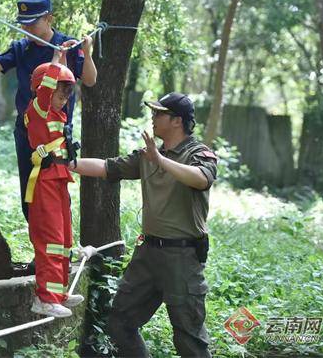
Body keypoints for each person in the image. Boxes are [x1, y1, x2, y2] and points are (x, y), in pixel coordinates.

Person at [71, 93, 217, 357]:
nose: (153, 117)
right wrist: (66, 164)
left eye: (159, 113)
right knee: (120, 323)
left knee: (189, 338)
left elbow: (201, 179)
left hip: (182, 257)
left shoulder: (198, 153)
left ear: (176, 121)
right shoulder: (149, 155)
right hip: (148, 254)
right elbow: (107, 167)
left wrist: (161, 161)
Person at [0, 0, 97, 221]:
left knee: (54, 189)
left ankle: (60, 250)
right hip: (27, 132)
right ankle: (40, 248)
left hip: (56, 134)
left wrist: (88, 53)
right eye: (24, 23)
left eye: (32, 22)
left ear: (49, 18)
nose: (27, 28)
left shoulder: (68, 46)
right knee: (30, 189)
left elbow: (90, 79)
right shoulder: (21, 48)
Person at [25, 50, 86, 317]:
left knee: (63, 239)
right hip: (45, 181)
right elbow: (47, 89)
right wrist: (57, 60)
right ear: (45, 91)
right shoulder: (38, 110)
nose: (63, 101)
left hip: (59, 180)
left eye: (66, 96)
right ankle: (44, 298)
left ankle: (59, 291)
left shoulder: (58, 117)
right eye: (60, 95)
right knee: (50, 238)